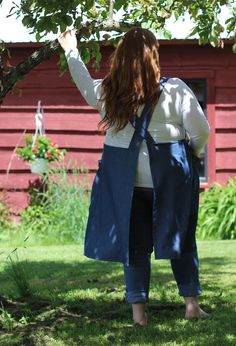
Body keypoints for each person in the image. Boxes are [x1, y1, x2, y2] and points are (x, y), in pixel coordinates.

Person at [58, 27, 210, 326]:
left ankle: (139, 315)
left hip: (126, 183)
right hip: (170, 179)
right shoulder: (177, 89)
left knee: (134, 245)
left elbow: (84, 83)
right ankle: (191, 304)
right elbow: (201, 131)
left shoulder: (108, 92)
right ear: (154, 56)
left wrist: (70, 49)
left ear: (120, 57)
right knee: (182, 236)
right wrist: (195, 154)